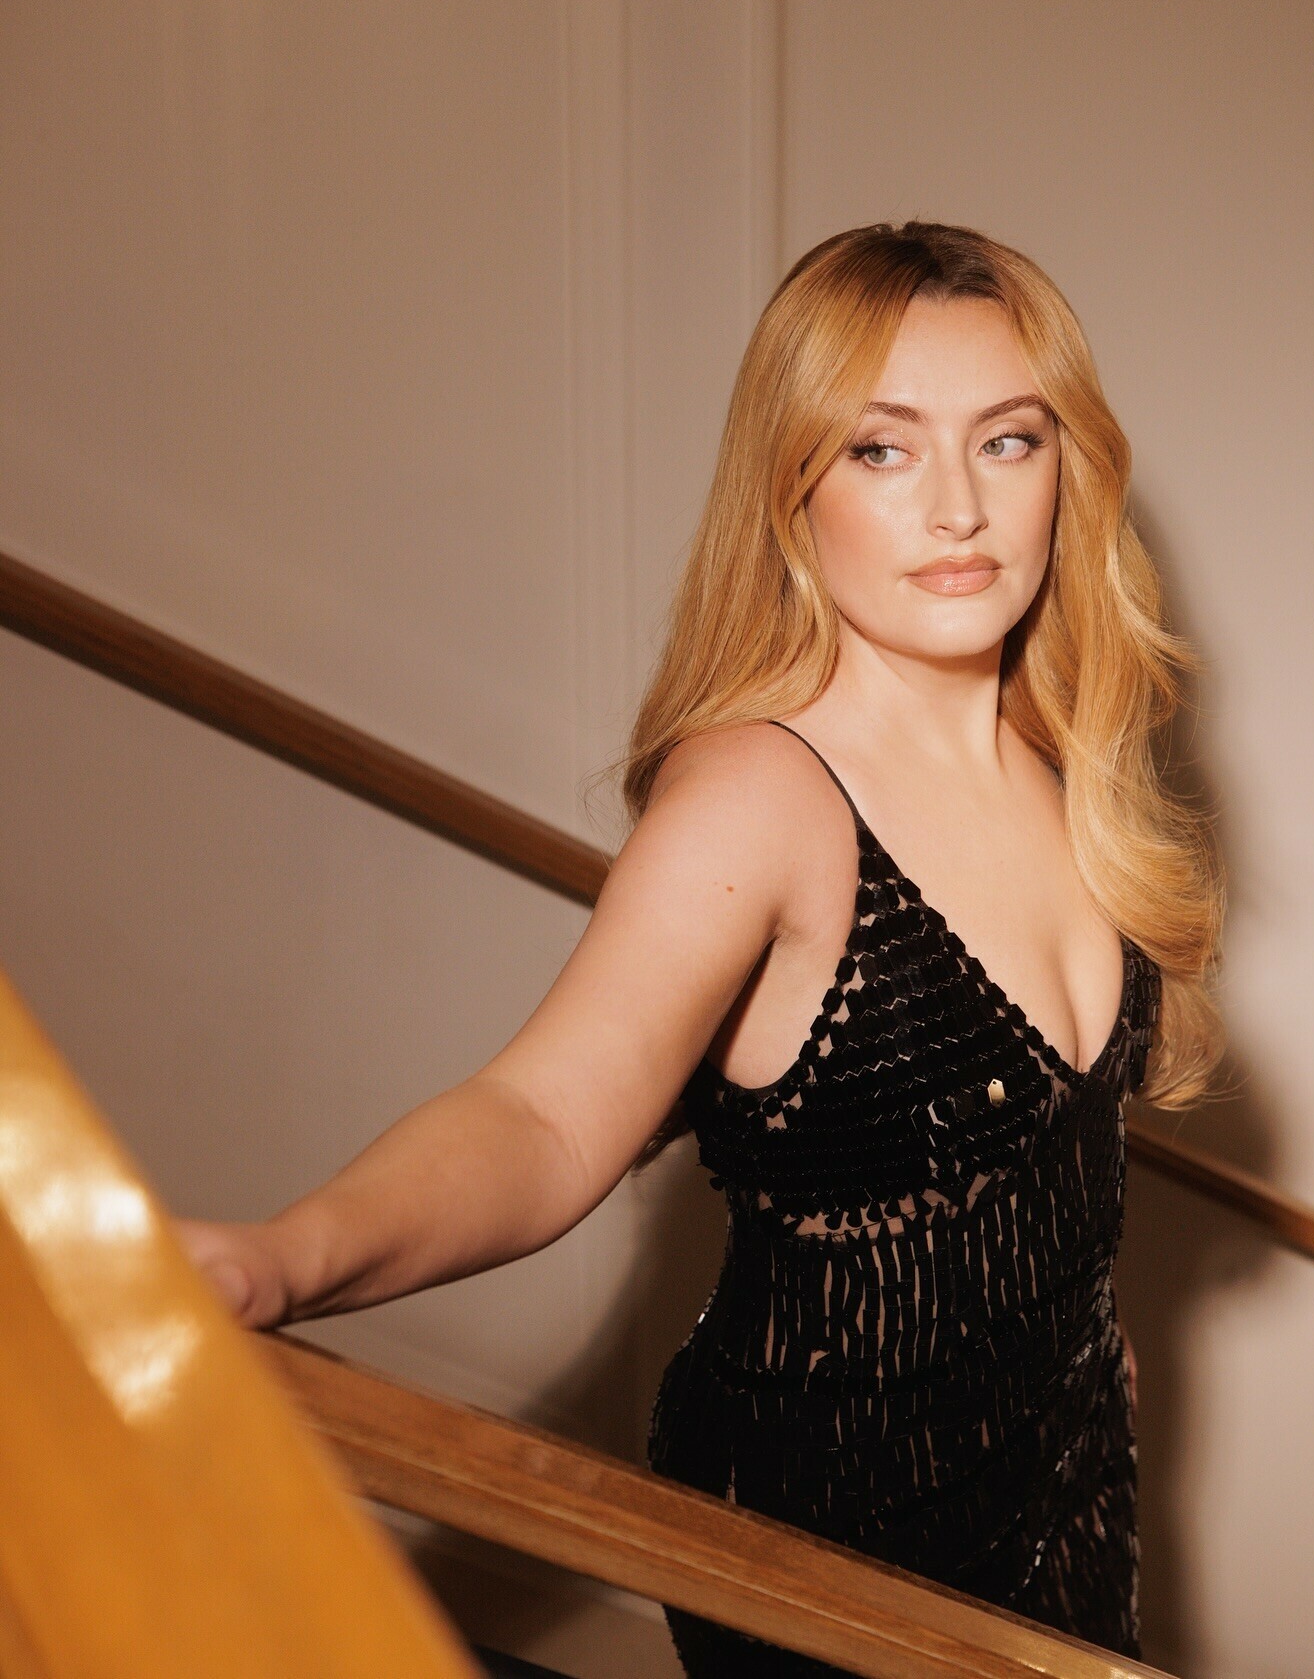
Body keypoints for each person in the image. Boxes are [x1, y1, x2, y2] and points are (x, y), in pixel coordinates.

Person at [177, 221, 1226, 1674]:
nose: (958, 508)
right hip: (831, 1560)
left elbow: (1056, 1183)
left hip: (1070, 1510)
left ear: (1068, 469)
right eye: (881, 449)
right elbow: (544, 1119)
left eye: (1007, 441)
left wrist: (1096, 1380)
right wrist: (287, 1261)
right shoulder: (762, 796)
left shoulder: (1067, 772)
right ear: (792, 488)